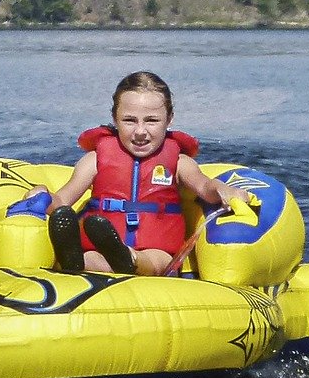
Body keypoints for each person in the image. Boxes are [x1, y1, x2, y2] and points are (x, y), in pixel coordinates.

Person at [45, 70, 250, 276]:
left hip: (157, 253)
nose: (140, 131)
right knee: (92, 258)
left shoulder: (179, 162)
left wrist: (222, 189)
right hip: (100, 250)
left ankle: (128, 258)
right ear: (115, 118)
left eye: (151, 120)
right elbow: (62, 200)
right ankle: (74, 258)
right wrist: (43, 197)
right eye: (129, 120)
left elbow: (205, 187)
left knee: (159, 259)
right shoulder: (95, 159)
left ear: (169, 119)